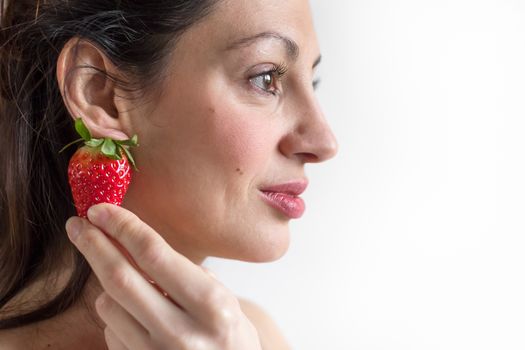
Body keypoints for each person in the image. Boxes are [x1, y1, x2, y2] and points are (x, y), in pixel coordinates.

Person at [0, 0, 338, 348]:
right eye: (265, 78)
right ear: (99, 93)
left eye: (313, 82)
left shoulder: (249, 335)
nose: (325, 142)